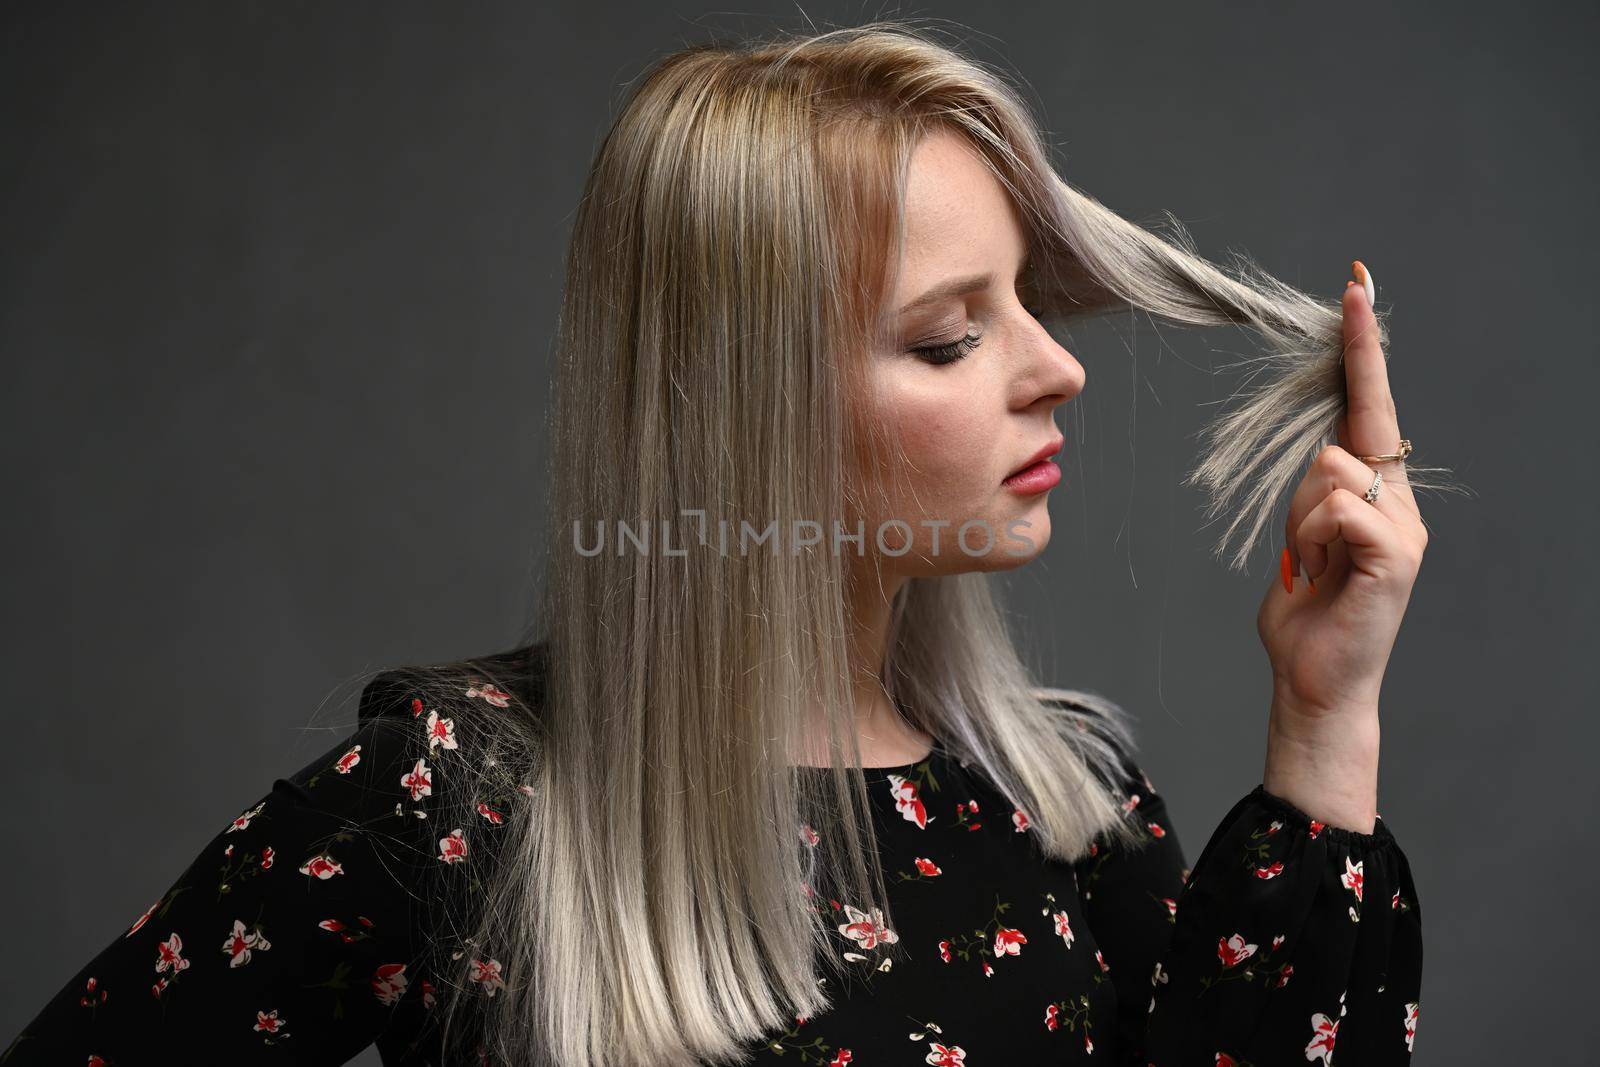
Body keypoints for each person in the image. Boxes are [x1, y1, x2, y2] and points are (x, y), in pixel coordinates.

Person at [5, 20, 1429, 1067]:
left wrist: (1325, 711)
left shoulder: (1064, 796)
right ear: (745, 406)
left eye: (1031, 300)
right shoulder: (459, 799)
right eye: (950, 334)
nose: (1057, 366)